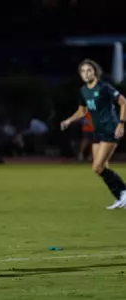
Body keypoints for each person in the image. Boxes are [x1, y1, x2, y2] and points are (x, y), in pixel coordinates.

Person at [61, 59, 126, 209]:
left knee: (97, 167)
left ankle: (123, 192)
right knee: (100, 167)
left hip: (110, 129)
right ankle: (120, 196)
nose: (86, 73)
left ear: (95, 72)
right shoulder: (83, 91)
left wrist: (121, 124)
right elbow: (82, 111)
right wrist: (69, 120)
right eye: (83, 71)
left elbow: (123, 102)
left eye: (89, 70)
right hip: (97, 131)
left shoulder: (104, 87)